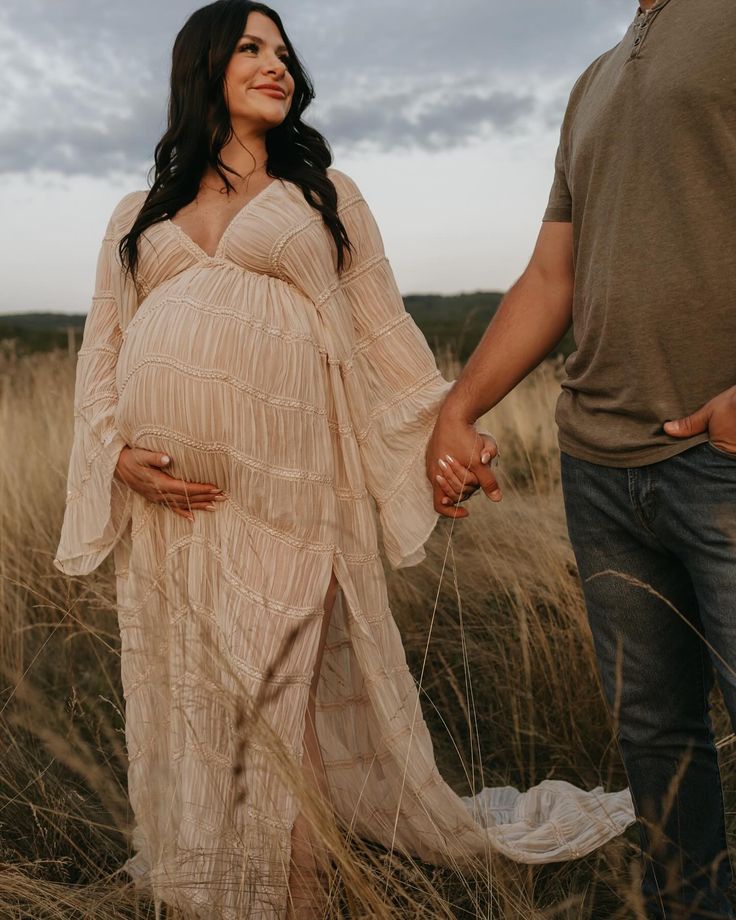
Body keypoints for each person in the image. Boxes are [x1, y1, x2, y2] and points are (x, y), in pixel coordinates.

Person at [54, 2, 634, 917]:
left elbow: (384, 336)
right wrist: (116, 455)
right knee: (201, 719)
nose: (276, 64)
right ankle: (217, 895)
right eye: (251, 48)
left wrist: (451, 424)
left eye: (283, 52)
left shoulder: (326, 196)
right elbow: (102, 358)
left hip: (292, 504)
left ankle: (304, 900)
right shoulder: (139, 215)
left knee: (288, 731)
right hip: (176, 518)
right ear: (203, 66)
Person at [427, 1, 736, 917]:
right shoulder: (591, 84)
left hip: (717, 464)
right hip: (599, 470)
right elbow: (550, 277)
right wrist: (459, 406)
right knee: (656, 736)